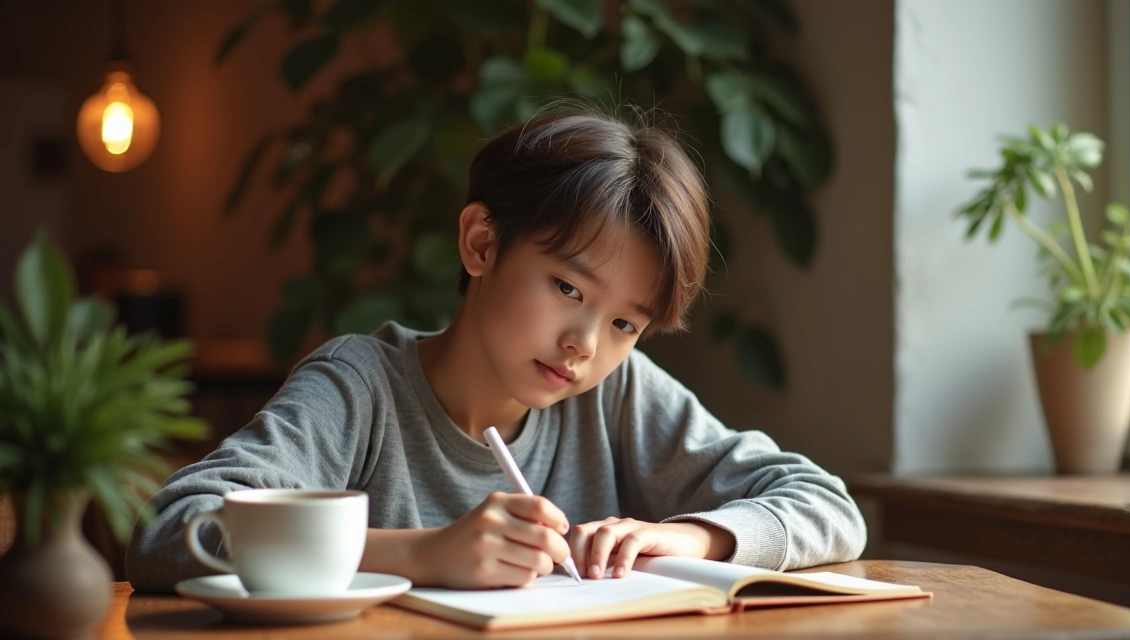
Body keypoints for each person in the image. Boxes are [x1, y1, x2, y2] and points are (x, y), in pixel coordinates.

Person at [126, 108, 867, 592]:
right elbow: (169, 531)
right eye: (568, 288)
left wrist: (692, 537)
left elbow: (828, 505)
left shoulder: (616, 394)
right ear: (481, 243)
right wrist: (420, 554)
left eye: (625, 324)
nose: (584, 344)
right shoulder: (361, 387)